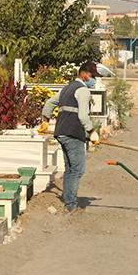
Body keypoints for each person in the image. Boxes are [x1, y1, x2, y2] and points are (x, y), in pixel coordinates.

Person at [41, 62, 100, 214]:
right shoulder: (83, 90)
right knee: (77, 170)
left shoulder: (66, 88)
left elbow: (49, 103)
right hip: (73, 133)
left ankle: (68, 201)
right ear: (83, 74)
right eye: (92, 76)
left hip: (61, 132)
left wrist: (45, 121)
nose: (93, 80)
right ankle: (71, 205)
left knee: (70, 169)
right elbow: (82, 115)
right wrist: (92, 131)